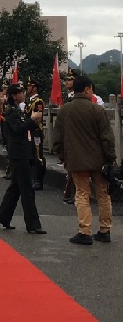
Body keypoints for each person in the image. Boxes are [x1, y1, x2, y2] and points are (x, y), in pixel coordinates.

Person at [53, 75, 117, 245]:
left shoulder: (65, 110)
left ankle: (85, 231)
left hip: (76, 160)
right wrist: (111, 159)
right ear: (88, 89)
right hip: (99, 160)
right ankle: (105, 230)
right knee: (103, 195)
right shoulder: (97, 110)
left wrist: (64, 156)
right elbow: (107, 138)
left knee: (82, 194)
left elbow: (57, 139)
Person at [0, 83, 46, 234]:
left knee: (15, 188)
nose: (23, 95)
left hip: (23, 152)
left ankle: (3, 217)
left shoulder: (17, 110)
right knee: (27, 190)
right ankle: (33, 224)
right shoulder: (11, 111)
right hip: (18, 154)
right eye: (20, 93)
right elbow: (18, 129)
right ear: (14, 96)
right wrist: (33, 120)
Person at [25, 77, 45, 190]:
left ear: (34, 88)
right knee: (32, 155)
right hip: (30, 131)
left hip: (36, 131)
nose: (27, 88)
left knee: (38, 156)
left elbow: (37, 117)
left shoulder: (38, 102)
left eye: (29, 86)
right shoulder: (30, 101)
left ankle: (38, 180)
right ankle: (33, 178)